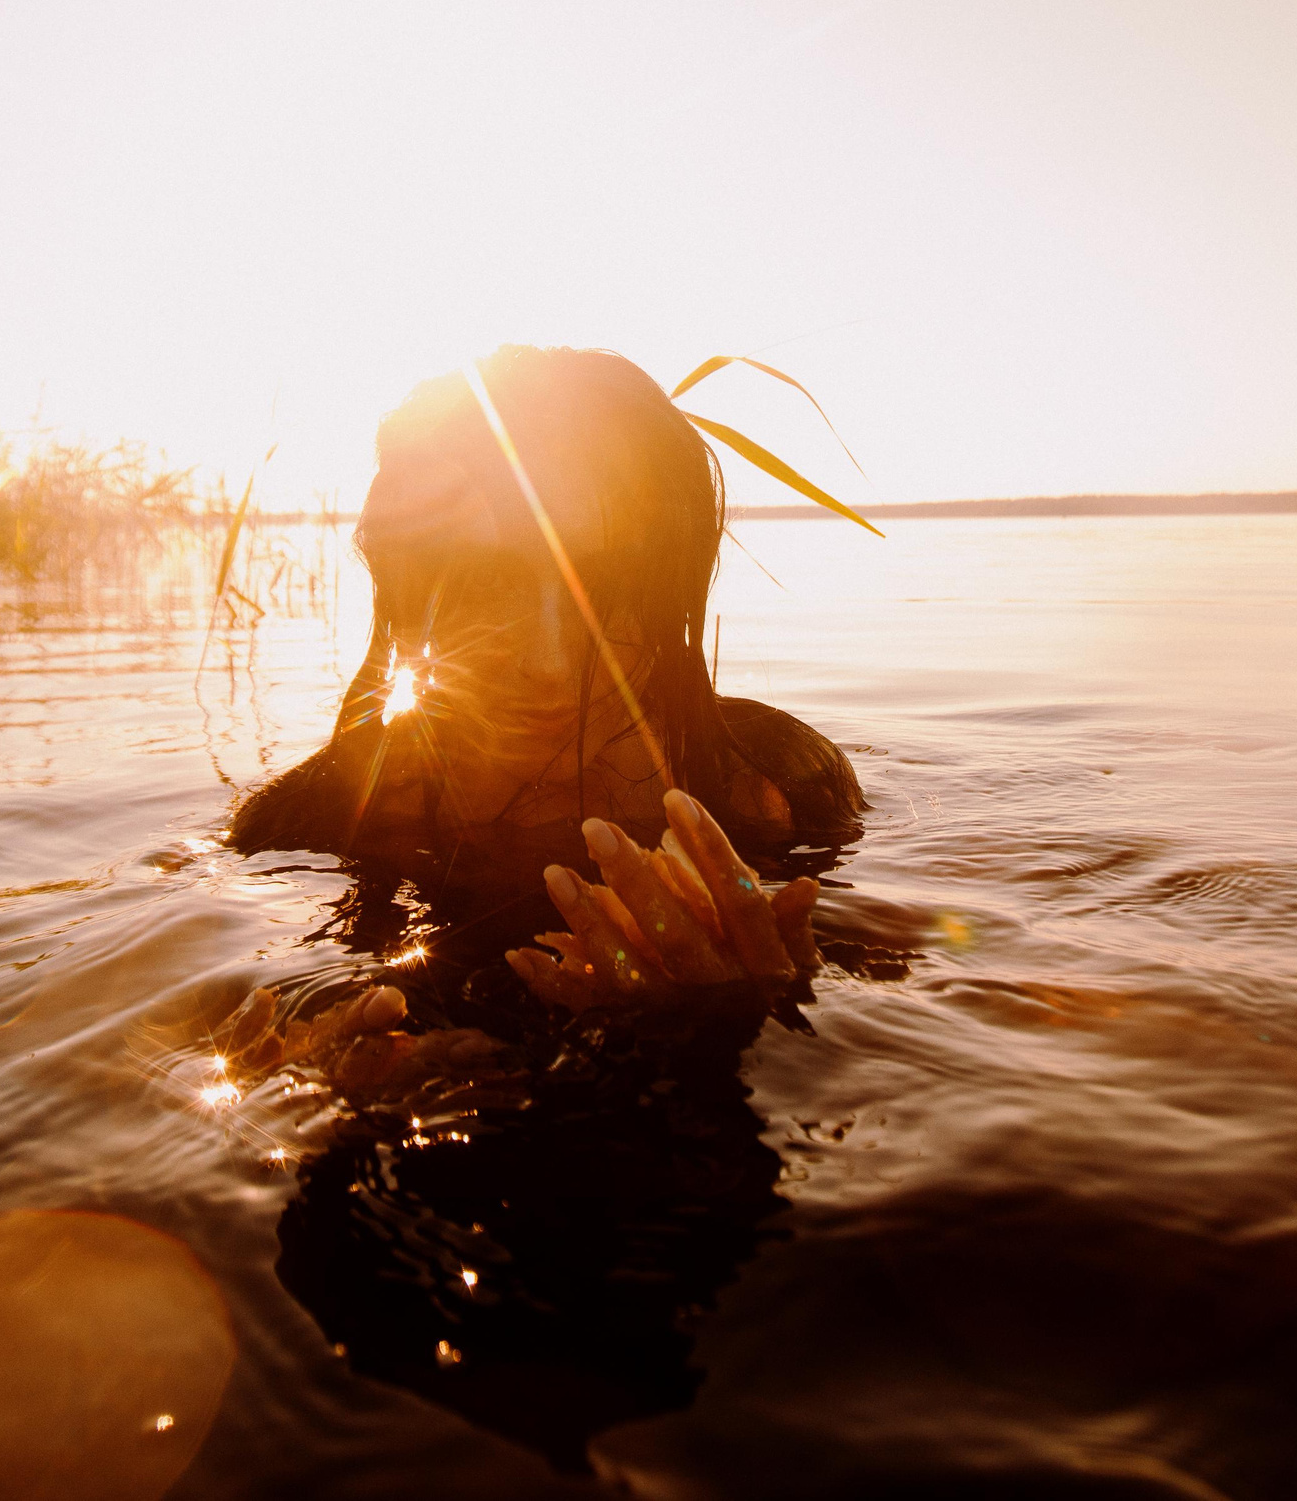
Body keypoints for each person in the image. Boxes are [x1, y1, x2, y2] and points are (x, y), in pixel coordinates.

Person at [218, 348, 873, 1466]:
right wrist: (291, 1071)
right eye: (470, 594)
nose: (528, 659)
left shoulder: (769, 784)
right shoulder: (324, 810)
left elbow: (916, 955)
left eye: (580, 586)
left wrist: (767, 988)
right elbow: (162, 1021)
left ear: (657, 581)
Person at [229, 343, 865, 1009]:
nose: (550, 664)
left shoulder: (777, 788)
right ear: (406, 593)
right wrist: (309, 1067)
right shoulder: (309, 825)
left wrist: (754, 1004)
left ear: (670, 580)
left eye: (610, 583)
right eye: (485, 582)